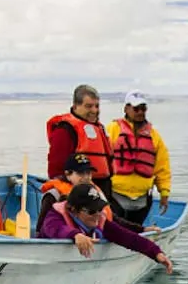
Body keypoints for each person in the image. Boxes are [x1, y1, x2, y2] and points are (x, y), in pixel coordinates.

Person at [38, 183, 174, 273]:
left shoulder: (100, 221)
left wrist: (156, 253)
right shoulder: (54, 216)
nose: (97, 215)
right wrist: (75, 235)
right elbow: (55, 229)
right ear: (73, 210)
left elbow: (128, 237)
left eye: (99, 208)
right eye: (91, 211)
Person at [105, 90, 172, 231]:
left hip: (142, 200)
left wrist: (164, 193)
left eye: (143, 108)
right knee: (116, 230)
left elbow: (162, 167)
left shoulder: (154, 136)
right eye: (136, 108)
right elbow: (100, 159)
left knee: (135, 233)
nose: (140, 112)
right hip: (115, 195)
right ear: (126, 108)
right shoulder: (112, 130)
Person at [46, 84, 114, 201]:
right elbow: (56, 171)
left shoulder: (100, 128)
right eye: (89, 106)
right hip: (78, 196)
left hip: (101, 192)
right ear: (75, 106)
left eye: (96, 106)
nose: (94, 110)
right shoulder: (65, 131)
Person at [36, 153, 95, 226]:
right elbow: (42, 226)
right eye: (81, 173)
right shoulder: (53, 195)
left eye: (88, 173)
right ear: (68, 174)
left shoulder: (93, 194)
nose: (86, 177)